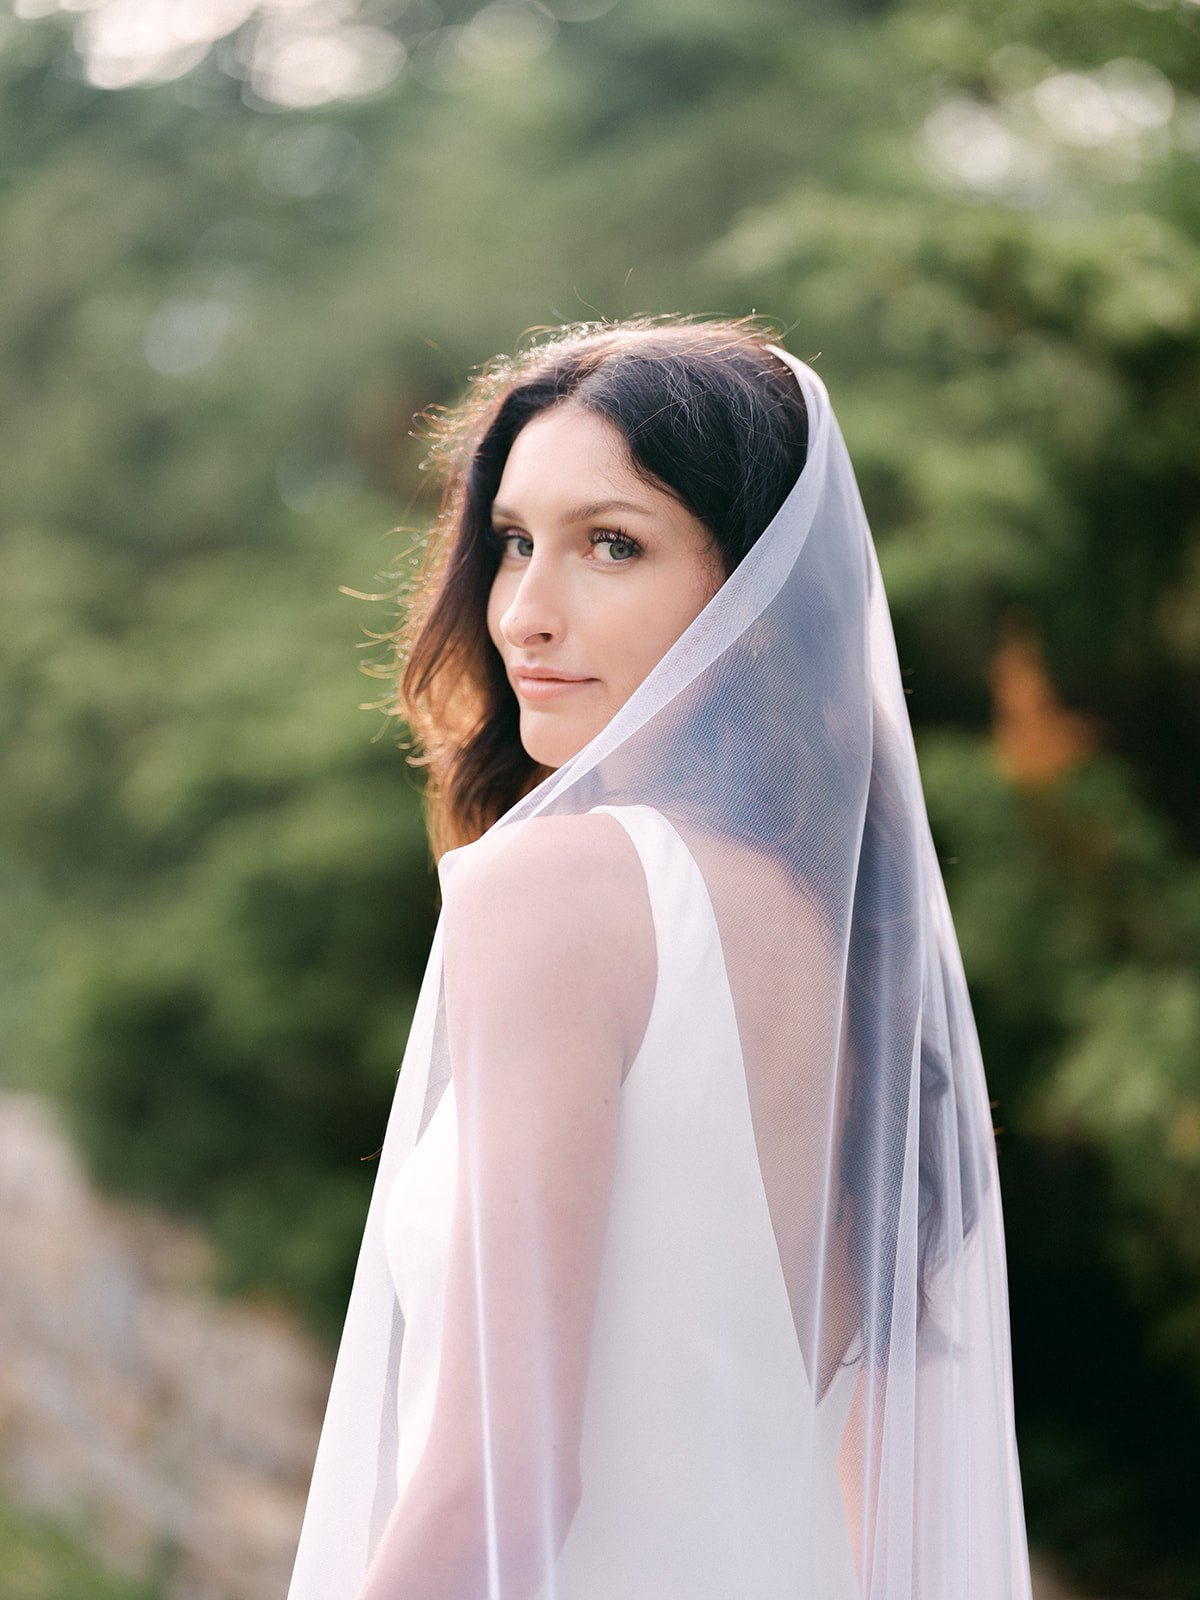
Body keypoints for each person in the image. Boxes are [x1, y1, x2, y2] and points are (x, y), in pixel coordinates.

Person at [285, 316, 1034, 1599]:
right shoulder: (834, 936)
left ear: (748, 596)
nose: (524, 611)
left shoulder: (558, 891)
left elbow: (502, 1480)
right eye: (515, 541)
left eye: (611, 544)